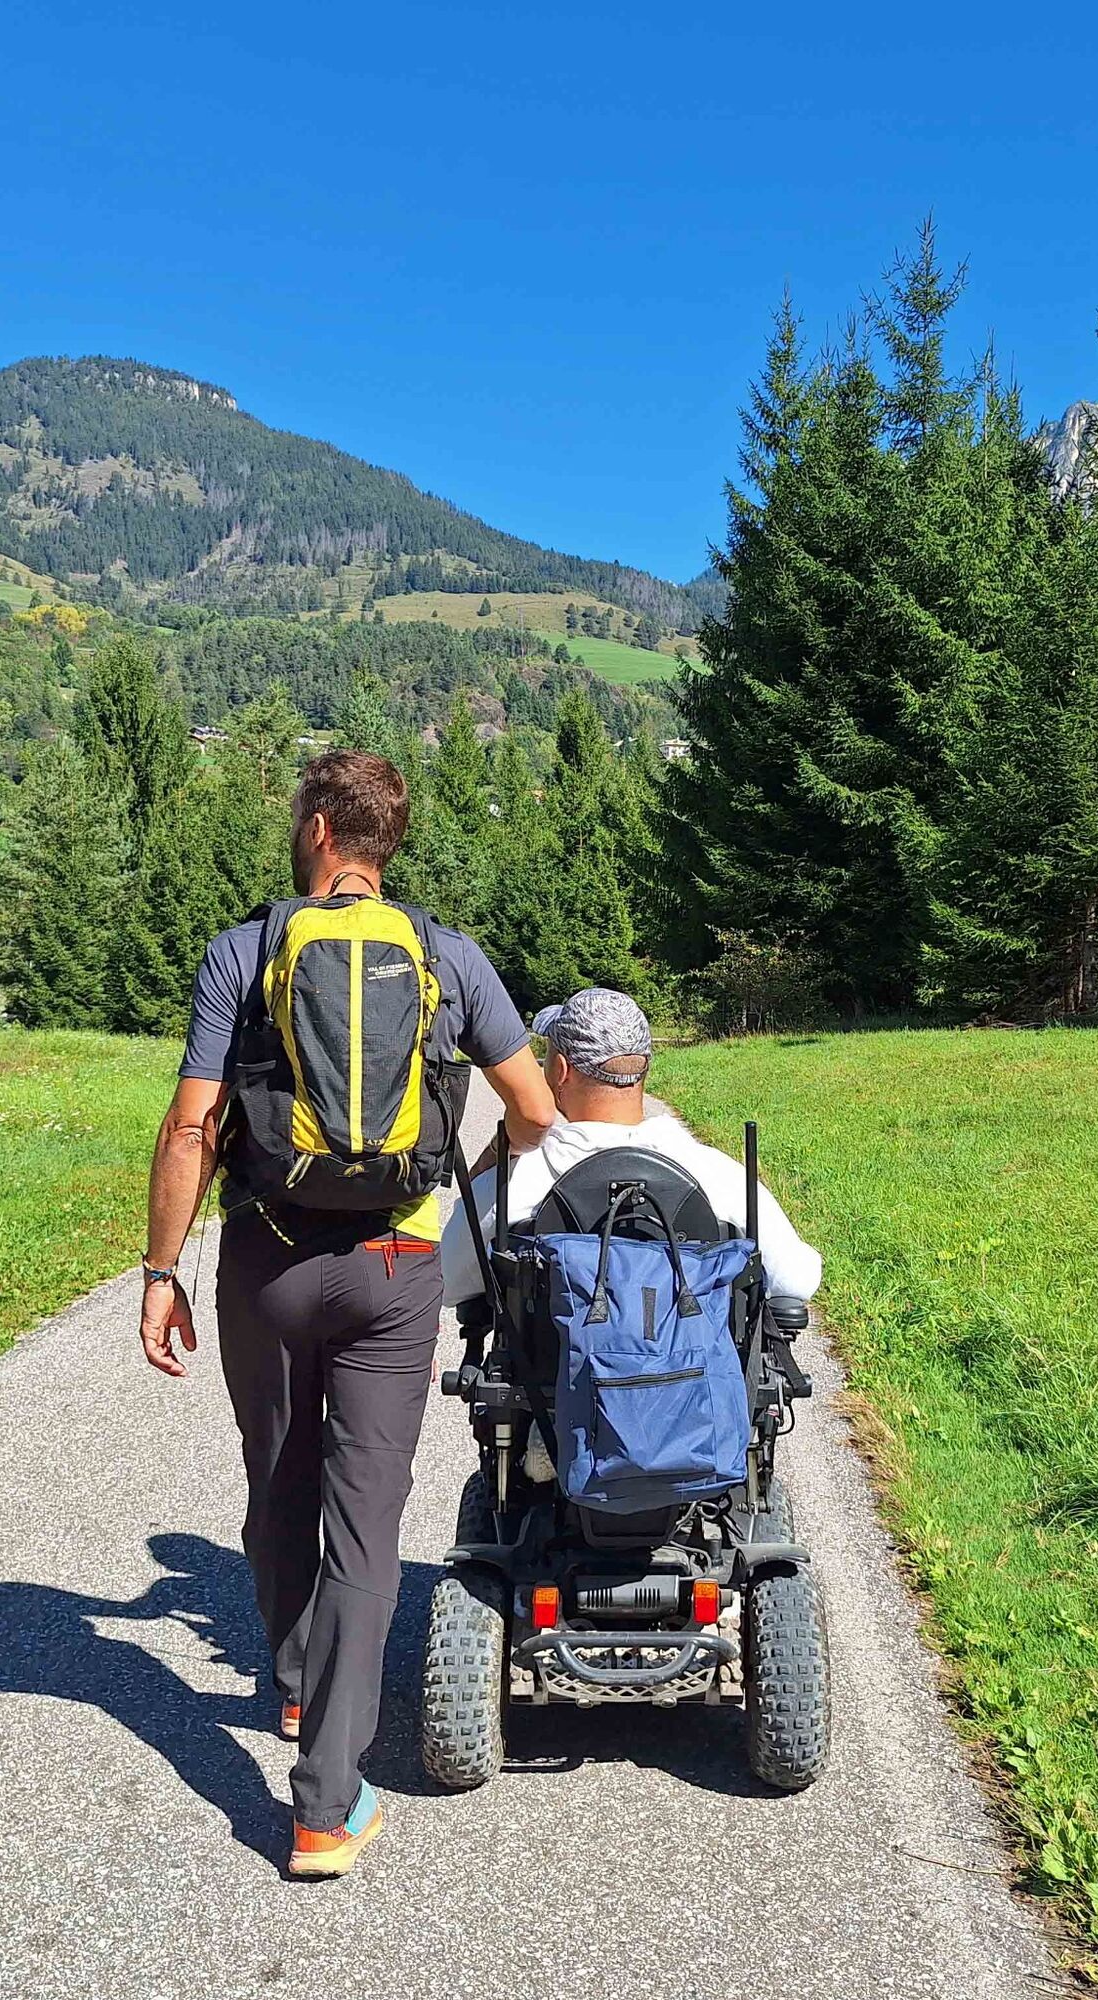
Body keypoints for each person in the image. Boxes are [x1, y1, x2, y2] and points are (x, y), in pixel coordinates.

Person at [138, 748, 554, 1880]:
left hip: (267, 1263)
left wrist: (161, 1270)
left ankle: (289, 1685)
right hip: (393, 1266)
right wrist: (463, 1186)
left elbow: (189, 1127)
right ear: (385, 841)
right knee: (365, 1522)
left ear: (321, 827)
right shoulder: (447, 956)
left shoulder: (246, 949)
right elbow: (532, 1108)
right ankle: (326, 1803)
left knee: (277, 1480)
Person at [440, 985, 822, 1308]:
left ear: (561, 1070)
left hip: (549, 1373)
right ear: (644, 1069)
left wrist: (499, 1152)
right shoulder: (715, 1175)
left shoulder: (518, 1182)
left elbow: (446, 1282)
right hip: (689, 1371)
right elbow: (797, 1281)